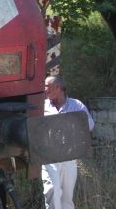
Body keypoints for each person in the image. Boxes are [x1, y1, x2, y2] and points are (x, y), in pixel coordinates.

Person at [42, 75, 95, 209]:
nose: (44, 89)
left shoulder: (76, 105)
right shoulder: (42, 106)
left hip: (70, 157)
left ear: (58, 88)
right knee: (53, 191)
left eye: (47, 86)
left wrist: (68, 123)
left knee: (67, 198)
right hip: (50, 157)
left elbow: (90, 125)